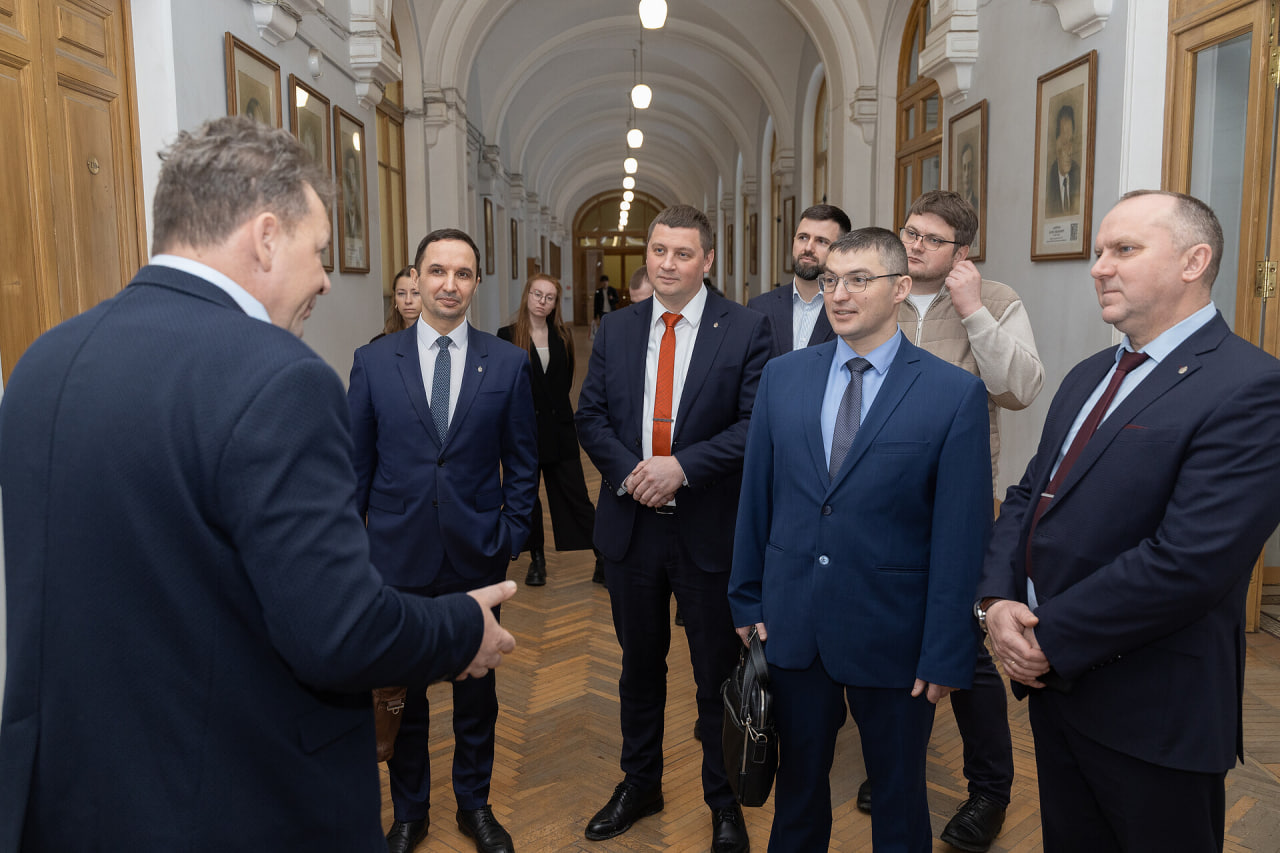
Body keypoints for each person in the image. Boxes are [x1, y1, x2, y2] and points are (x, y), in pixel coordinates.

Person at [0, 116, 517, 851]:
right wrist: (462, 627)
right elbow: (338, 633)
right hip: (232, 801)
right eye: (320, 251)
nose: (327, 279)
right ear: (267, 237)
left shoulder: (42, 364)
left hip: (71, 800)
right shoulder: (279, 378)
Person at [975, 190, 1280, 853]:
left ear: (1194, 261)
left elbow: (1190, 560)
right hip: (1057, 693)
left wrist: (1048, 637)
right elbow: (1028, 493)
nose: (1099, 267)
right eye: (1098, 251)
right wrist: (995, 601)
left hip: (1154, 711)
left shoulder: (1251, 385)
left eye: (1125, 249)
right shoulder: (1090, 373)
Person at [729, 226, 992, 853]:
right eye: (830, 281)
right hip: (794, 622)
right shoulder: (783, 377)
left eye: (858, 280)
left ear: (900, 288)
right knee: (798, 792)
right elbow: (757, 496)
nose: (839, 294)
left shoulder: (952, 393)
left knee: (899, 799)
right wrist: (746, 598)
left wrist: (947, 649)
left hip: (896, 634)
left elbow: (961, 536)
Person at [576, 204, 771, 853]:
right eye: (659, 250)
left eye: (683, 253)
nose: (667, 263)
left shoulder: (745, 328)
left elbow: (754, 425)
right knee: (638, 667)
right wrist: (634, 473)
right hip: (632, 527)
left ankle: (724, 801)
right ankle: (640, 783)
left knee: (715, 674)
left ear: (707, 260)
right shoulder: (618, 326)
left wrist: (682, 469)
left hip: (708, 530)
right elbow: (591, 415)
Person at [860, 189, 1044, 850]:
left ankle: (990, 789)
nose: (913, 244)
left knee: (966, 644)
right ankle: (892, 768)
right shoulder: (876, 288)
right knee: (886, 635)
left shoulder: (994, 299)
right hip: (874, 502)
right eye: (910, 231)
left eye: (931, 238)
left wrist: (972, 310)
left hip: (957, 505)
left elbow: (1019, 388)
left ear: (962, 251)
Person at [348, 228, 538, 853]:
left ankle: (474, 805)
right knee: (402, 692)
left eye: (462, 273)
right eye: (437, 271)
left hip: (476, 554)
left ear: (476, 283)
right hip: (395, 558)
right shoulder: (374, 361)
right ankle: (410, 814)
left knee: (476, 692)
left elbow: (523, 461)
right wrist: (353, 551)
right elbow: (356, 467)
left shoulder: (506, 362)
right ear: (416, 278)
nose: (448, 285)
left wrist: (510, 534)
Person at [497, 274, 601, 587]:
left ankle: (604, 557)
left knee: (576, 496)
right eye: (537, 294)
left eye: (549, 297)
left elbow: (565, 381)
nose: (542, 302)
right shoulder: (507, 336)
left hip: (560, 430)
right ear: (527, 296)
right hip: (523, 433)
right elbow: (505, 386)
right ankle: (537, 560)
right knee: (527, 500)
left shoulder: (563, 336)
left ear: (555, 303)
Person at [747, 203, 852, 359]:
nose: (808, 248)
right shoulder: (759, 308)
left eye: (821, 241)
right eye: (803, 237)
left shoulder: (850, 311)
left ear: (841, 251)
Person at [1045, 104, 1080, 217]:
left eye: (1071, 141)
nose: (1070, 151)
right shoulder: (1048, 181)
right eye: (1065, 143)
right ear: (1056, 145)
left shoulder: (1078, 175)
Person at [373, 265, 421, 341]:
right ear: (395, 299)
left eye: (416, 293)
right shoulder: (380, 342)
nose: (408, 301)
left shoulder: (439, 340)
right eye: (401, 293)